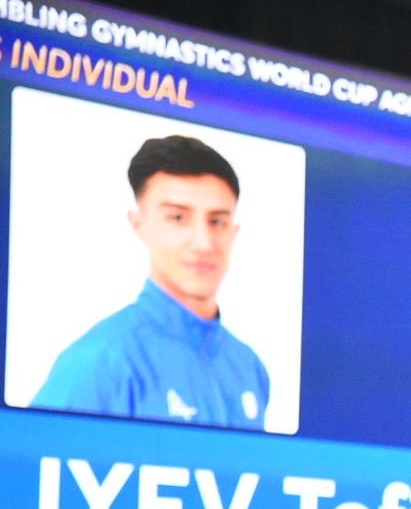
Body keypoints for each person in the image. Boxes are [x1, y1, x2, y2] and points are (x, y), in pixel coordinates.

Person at [31, 135, 270, 430]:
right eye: (178, 218)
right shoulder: (99, 364)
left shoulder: (248, 367)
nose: (203, 243)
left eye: (217, 221)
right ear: (139, 225)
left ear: (233, 232)